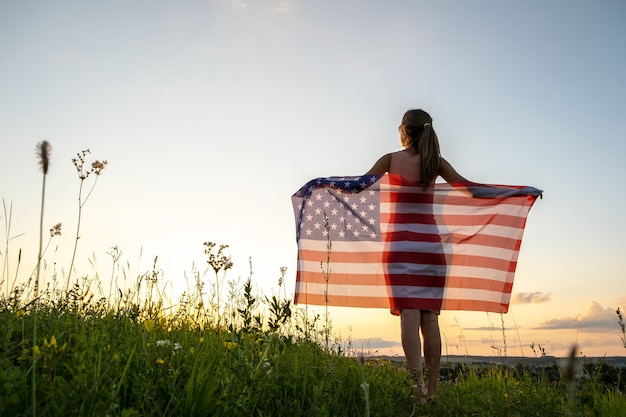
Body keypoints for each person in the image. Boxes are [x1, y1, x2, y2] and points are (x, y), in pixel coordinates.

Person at [365, 108, 468, 404]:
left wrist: (323, 184)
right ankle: (433, 393)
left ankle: (417, 390)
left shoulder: (390, 160)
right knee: (430, 319)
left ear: (404, 131)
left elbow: (359, 185)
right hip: (430, 247)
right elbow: (470, 189)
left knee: (409, 315)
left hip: (400, 246)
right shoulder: (436, 163)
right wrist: (516, 193)